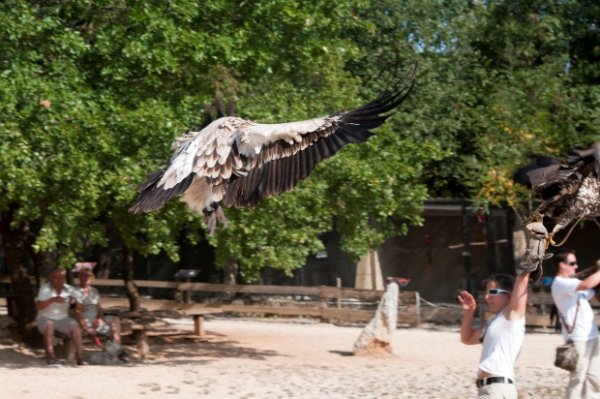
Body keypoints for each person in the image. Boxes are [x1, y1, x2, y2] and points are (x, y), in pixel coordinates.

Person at [458, 272, 530, 399]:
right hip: (488, 390)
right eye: (486, 292)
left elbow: (522, 281)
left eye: (492, 292)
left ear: (509, 294)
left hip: (497, 389)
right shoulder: (494, 322)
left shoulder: (512, 315)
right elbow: (467, 338)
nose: (487, 297)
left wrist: (526, 270)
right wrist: (469, 313)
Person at [550, 249, 600, 399]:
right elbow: (586, 285)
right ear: (561, 265)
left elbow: (595, 296)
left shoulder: (574, 282)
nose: (576, 266)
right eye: (572, 263)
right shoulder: (559, 284)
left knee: (594, 378)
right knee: (577, 379)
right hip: (578, 338)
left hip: (593, 334)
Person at [74, 267, 126, 360]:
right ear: (80, 278)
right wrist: (86, 327)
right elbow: (78, 312)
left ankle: (117, 349)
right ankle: (115, 352)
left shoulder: (94, 291)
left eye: (88, 276)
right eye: (83, 276)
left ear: (92, 278)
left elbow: (99, 308)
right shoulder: (77, 291)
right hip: (85, 320)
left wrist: (100, 319)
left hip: (95, 319)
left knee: (115, 320)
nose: (86, 278)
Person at [35, 269, 86, 365]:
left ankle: (80, 357)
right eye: (57, 277)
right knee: (49, 324)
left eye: (62, 277)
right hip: (45, 317)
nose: (59, 280)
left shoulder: (70, 289)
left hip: (63, 318)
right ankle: (51, 356)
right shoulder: (45, 289)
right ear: (52, 279)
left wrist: (75, 303)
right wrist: (53, 300)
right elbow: (38, 306)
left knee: (75, 325)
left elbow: (82, 308)